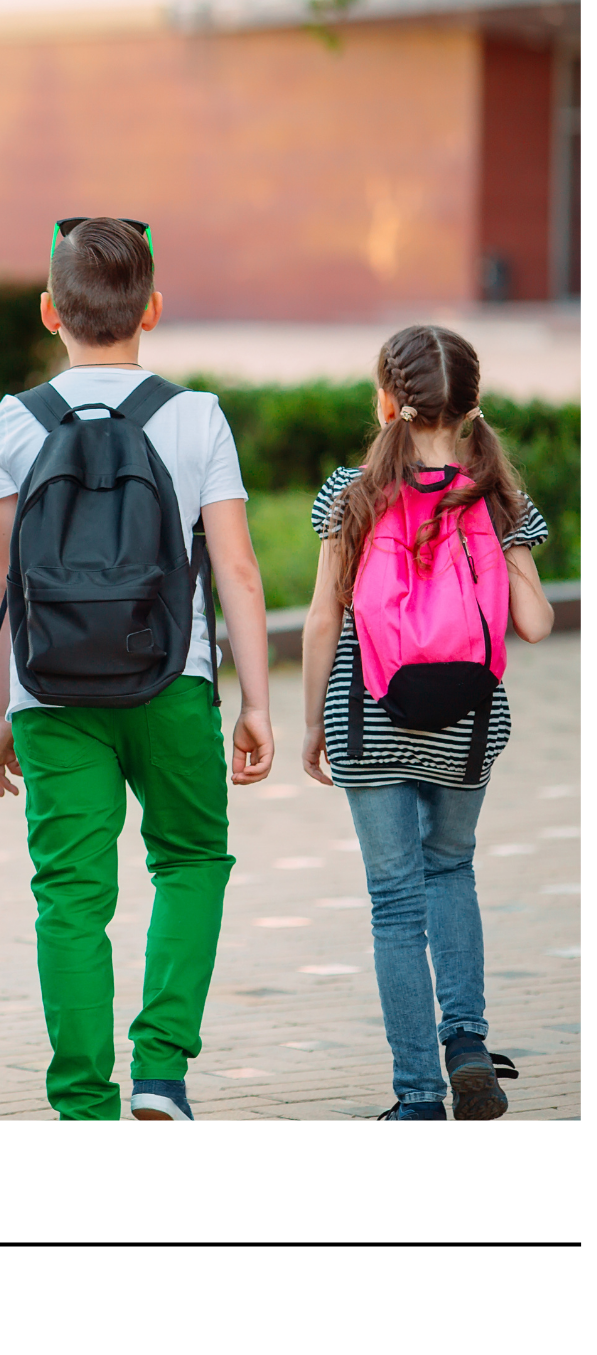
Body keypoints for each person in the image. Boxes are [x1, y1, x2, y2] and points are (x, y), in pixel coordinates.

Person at [0, 217, 274, 1122]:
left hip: (50, 690)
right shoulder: (195, 416)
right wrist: (255, 701)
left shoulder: (12, 421)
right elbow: (240, 570)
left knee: (70, 892)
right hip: (172, 680)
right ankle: (161, 1070)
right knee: (191, 858)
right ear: (152, 308)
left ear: (47, 311)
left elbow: (3, 581)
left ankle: (81, 1104)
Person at [301, 326, 552, 1122]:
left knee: (394, 902)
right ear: (474, 406)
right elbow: (539, 623)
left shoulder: (351, 492)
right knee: (453, 869)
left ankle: (417, 1096)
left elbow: (319, 619)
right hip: (468, 727)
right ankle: (469, 1044)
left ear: (385, 402)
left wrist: (312, 726)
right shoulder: (499, 497)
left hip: (369, 719)